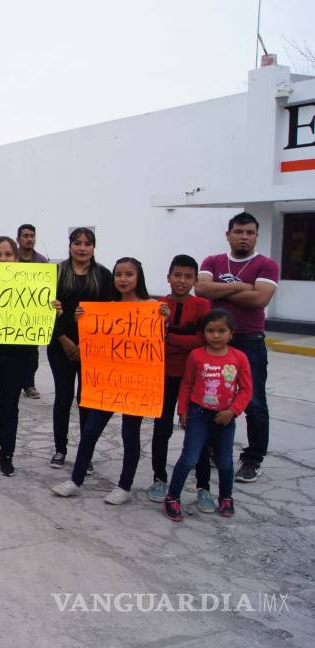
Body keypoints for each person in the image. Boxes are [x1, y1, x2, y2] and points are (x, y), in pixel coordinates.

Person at [51, 257, 168, 504]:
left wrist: (164, 320)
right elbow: (91, 337)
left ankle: (124, 487)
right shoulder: (106, 306)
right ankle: (76, 480)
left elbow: (159, 341)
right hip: (108, 382)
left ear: (139, 278)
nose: (123, 279)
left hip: (135, 383)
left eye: (129, 274)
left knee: (130, 434)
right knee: (91, 430)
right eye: (118, 275)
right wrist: (78, 317)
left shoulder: (152, 307)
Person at [0, 237, 60, 478]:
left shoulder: (32, 283)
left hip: (18, 356)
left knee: (9, 408)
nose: (4, 259)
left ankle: (7, 456)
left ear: (16, 258)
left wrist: (53, 311)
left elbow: (40, 314)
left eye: (8, 255)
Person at [195, 212, 279, 484]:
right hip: (214, 341)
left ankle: (253, 459)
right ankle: (211, 449)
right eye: (239, 231)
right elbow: (201, 290)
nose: (244, 237)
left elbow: (259, 299)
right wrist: (242, 286)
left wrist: (222, 288)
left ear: (256, 236)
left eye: (250, 233)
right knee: (212, 395)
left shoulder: (266, 265)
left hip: (249, 341)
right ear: (228, 234)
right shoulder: (212, 261)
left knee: (253, 401)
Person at [164, 309, 252, 521]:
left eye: (221, 331)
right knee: (190, 457)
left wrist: (232, 411)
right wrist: (183, 411)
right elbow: (187, 384)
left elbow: (246, 390)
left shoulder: (239, 358)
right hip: (198, 414)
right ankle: (173, 497)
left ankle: (226, 497)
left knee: (224, 461)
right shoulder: (196, 355)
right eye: (210, 331)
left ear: (231, 333)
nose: (215, 335)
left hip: (225, 418)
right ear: (203, 333)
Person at [147, 255, 213, 507]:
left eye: (188, 276)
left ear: (195, 279)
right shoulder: (158, 304)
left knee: (199, 432)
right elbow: (153, 340)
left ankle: (203, 486)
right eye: (177, 275)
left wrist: (170, 338)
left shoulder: (203, 306)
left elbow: (202, 340)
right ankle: (159, 478)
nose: (182, 281)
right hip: (162, 375)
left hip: (195, 378)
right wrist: (180, 339)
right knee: (161, 428)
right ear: (168, 277)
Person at [48, 227, 116, 469]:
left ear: (94, 247)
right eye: (77, 243)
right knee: (63, 398)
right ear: (70, 246)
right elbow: (44, 313)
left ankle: (85, 455)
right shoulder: (55, 273)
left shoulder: (105, 276)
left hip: (93, 349)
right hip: (60, 345)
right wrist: (64, 340)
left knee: (86, 400)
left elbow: (111, 314)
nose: (82, 248)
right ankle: (60, 449)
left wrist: (87, 343)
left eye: (88, 243)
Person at [16, 224, 48, 400]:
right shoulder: (11, 260)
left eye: (32, 236)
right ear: (18, 239)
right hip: (11, 313)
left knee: (31, 352)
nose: (29, 239)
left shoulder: (42, 262)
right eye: (25, 235)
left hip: (32, 315)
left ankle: (29, 384)